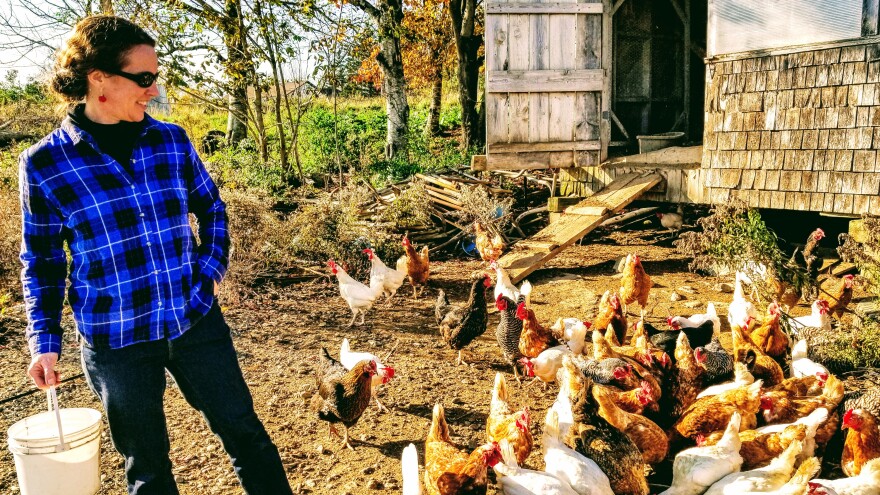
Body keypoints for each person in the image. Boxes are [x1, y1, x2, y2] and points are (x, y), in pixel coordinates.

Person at [18, 15, 293, 495]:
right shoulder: (43, 164)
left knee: (247, 438)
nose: (154, 88)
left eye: (155, 77)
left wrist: (208, 271)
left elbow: (212, 207)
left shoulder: (172, 139)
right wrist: (44, 338)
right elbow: (41, 260)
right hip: (115, 341)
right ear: (98, 78)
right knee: (146, 469)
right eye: (143, 78)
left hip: (195, 321)